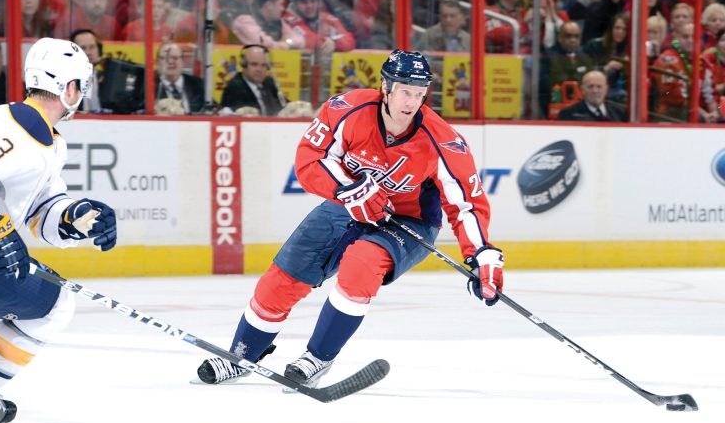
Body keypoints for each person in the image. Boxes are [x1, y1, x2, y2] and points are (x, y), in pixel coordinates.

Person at [196, 50, 504, 387]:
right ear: (385, 86)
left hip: (407, 222)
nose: (411, 101)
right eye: (405, 91)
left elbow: (466, 204)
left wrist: (481, 255)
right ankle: (242, 355)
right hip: (346, 205)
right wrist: (349, 189)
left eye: (419, 93)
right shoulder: (347, 109)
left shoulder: (443, 141)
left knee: (361, 265)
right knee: (286, 273)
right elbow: (311, 159)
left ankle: (318, 357)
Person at [0, 37, 117, 423]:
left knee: (54, 297)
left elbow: (38, 212)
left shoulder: (49, 142)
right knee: (55, 306)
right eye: (81, 84)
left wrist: (77, 216)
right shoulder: (11, 126)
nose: (83, 94)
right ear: (68, 88)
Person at [284, 0, 356, 54]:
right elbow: (312, 41)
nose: (309, 6)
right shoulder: (290, 19)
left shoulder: (327, 18)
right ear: (296, 3)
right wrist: (329, 42)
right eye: (304, 2)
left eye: (313, 1)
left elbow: (350, 40)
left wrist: (334, 43)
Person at [231, 0, 305, 50]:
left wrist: (287, 43)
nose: (282, 9)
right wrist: (281, 45)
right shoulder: (244, 20)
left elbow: (300, 40)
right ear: (269, 5)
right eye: (280, 5)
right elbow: (263, 44)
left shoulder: (278, 22)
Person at [220, 44, 286, 116]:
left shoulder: (269, 82)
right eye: (254, 64)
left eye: (263, 65)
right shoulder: (234, 87)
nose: (259, 69)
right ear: (244, 64)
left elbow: (283, 106)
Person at [155, 42, 205, 115]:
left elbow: (212, 109)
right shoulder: (147, 87)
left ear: (182, 61)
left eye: (175, 58)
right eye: (165, 58)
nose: (170, 62)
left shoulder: (197, 84)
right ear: (157, 62)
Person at [557, 69, 627, 121]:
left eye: (599, 87)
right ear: (582, 89)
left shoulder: (620, 112)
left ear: (606, 89)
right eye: (590, 86)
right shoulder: (568, 114)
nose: (595, 91)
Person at [70, 28, 105, 113]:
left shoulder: (108, 78)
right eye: (83, 48)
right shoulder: (65, 81)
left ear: (99, 50)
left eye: (92, 47)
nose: (88, 52)